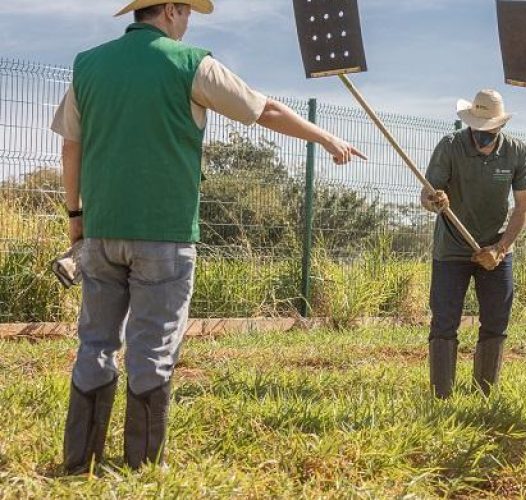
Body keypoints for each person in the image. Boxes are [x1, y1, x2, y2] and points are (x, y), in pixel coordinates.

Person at [51, 0, 364, 473]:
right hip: (165, 233)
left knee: (95, 342)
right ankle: (141, 468)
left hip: (100, 231)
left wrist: (76, 215)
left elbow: (70, 148)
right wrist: (324, 138)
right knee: (152, 349)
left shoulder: (88, 65)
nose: (189, 22)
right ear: (172, 11)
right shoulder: (192, 63)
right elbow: (265, 110)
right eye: (189, 12)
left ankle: (78, 465)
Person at [421, 89, 526, 399]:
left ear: (500, 126)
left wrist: (500, 248)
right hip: (452, 248)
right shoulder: (449, 147)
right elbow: (427, 196)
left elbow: (524, 207)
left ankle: (484, 393)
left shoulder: (517, 152)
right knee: (444, 320)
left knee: (497, 318)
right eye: (476, 128)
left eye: (488, 129)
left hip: (496, 248)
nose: (481, 135)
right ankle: (441, 394)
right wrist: (436, 201)